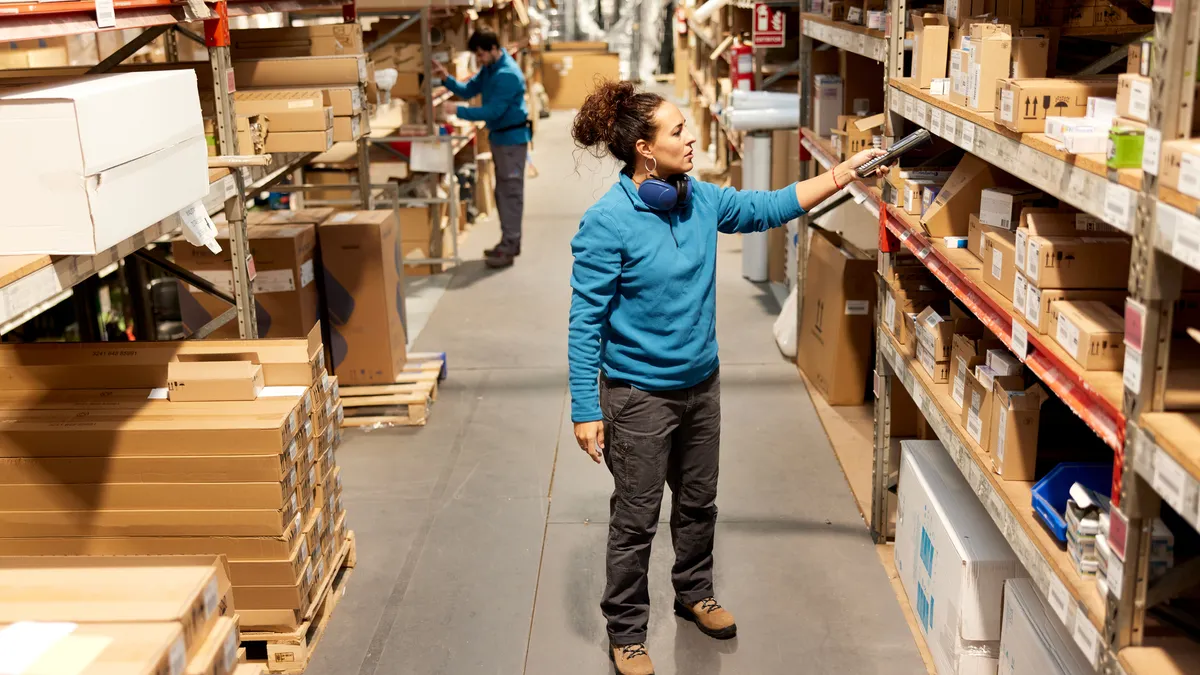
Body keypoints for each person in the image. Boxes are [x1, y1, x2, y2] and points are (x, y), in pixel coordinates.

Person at [568, 81, 887, 675]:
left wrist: (841, 174)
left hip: (700, 385)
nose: (692, 139)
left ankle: (694, 592)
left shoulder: (698, 199)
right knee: (635, 518)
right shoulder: (607, 222)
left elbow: (768, 207)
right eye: (679, 131)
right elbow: (585, 322)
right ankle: (628, 631)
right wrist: (586, 407)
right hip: (637, 396)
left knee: (698, 501)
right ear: (644, 148)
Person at [434, 28, 531, 269]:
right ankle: (508, 242)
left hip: (511, 141)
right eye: (477, 55)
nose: (479, 59)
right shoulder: (490, 68)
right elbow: (469, 90)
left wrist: (456, 110)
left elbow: (492, 111)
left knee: (510, 194)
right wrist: (446, 78)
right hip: (500, 138)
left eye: (481, 54)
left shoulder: (507, 75)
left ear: (494, 49)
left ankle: (510, 246)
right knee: (503, 193)